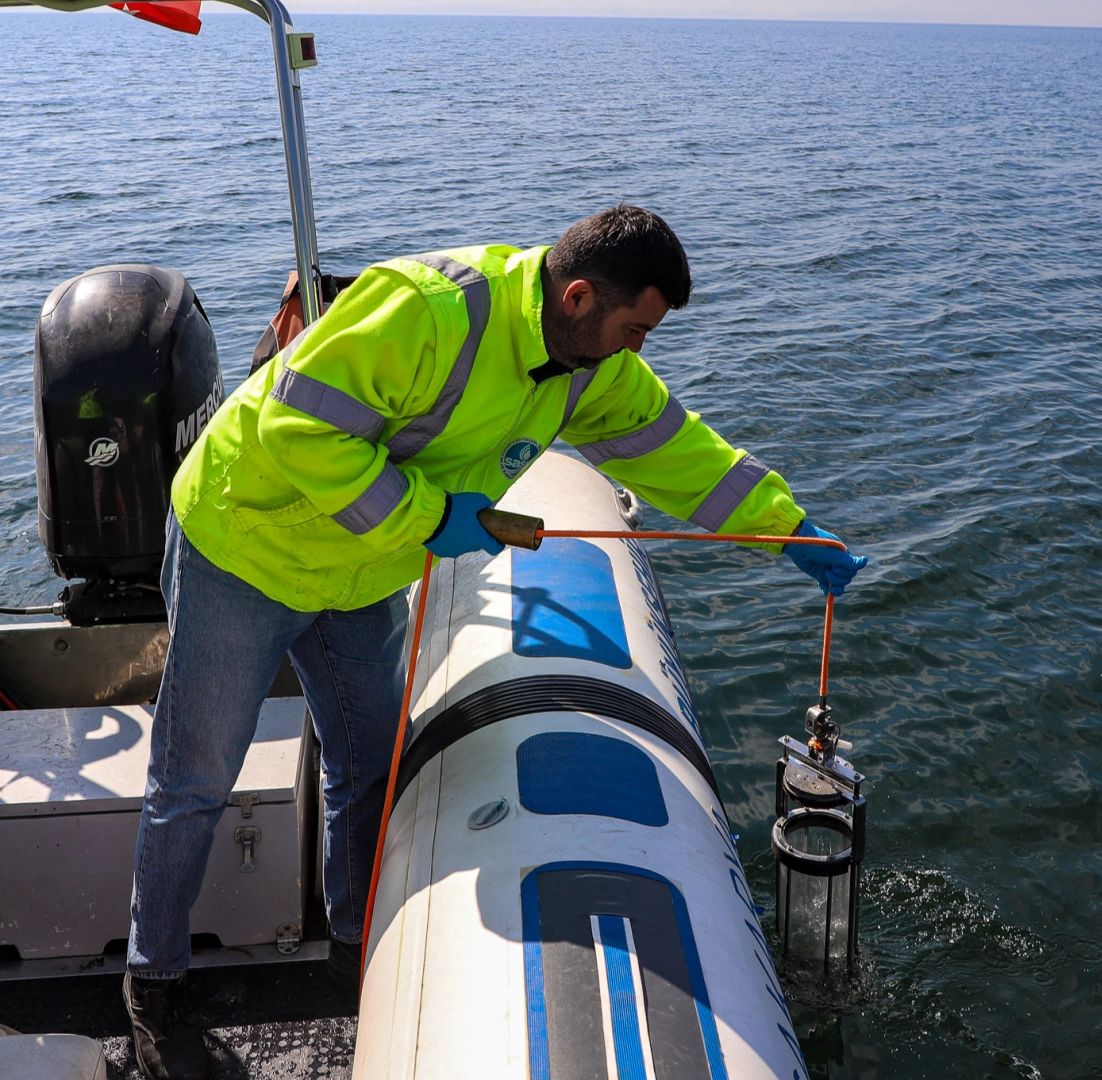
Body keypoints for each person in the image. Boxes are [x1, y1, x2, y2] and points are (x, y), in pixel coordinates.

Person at [121, 205, 867, 1080]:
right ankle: (154, 983)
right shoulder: (429, 312)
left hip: (356, 574)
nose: (638, 354)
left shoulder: (592, 370)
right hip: (245, 550)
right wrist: (431, 517)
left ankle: (358, 943)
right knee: (197, 779)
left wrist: (788, 531)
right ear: (580, 295)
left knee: (369, 769)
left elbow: (678, 451)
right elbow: (296, 431)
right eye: (633, 331)